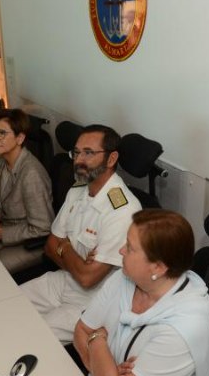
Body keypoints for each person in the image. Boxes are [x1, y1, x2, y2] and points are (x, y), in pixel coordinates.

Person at [72, 209, 209, 376]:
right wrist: (107, 374)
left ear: (157, 267)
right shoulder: (125, 278)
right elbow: (80, 330)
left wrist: (97, 338)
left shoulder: (185, 327)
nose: (121, 250)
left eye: (129, 247)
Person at [20, 125, 141, 342]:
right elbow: (50, 245)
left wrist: (64, 246)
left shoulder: (123, 210)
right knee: (8, 303)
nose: (78, 160)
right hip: (64, 280)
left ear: (111, 159)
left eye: (88, 153)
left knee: (31, 337)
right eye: (76, 153)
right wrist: (74, 258)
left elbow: (88, 279)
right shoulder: (78, 190)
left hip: (93, 301)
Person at [0, 109, 55, 273]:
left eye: (2, 133)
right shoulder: (1, 161)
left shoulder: (31, 174)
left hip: (31, 241)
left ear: (20, 138)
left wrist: (6, 233)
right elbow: (4, 198)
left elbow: (43, 227)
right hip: (6, 227)